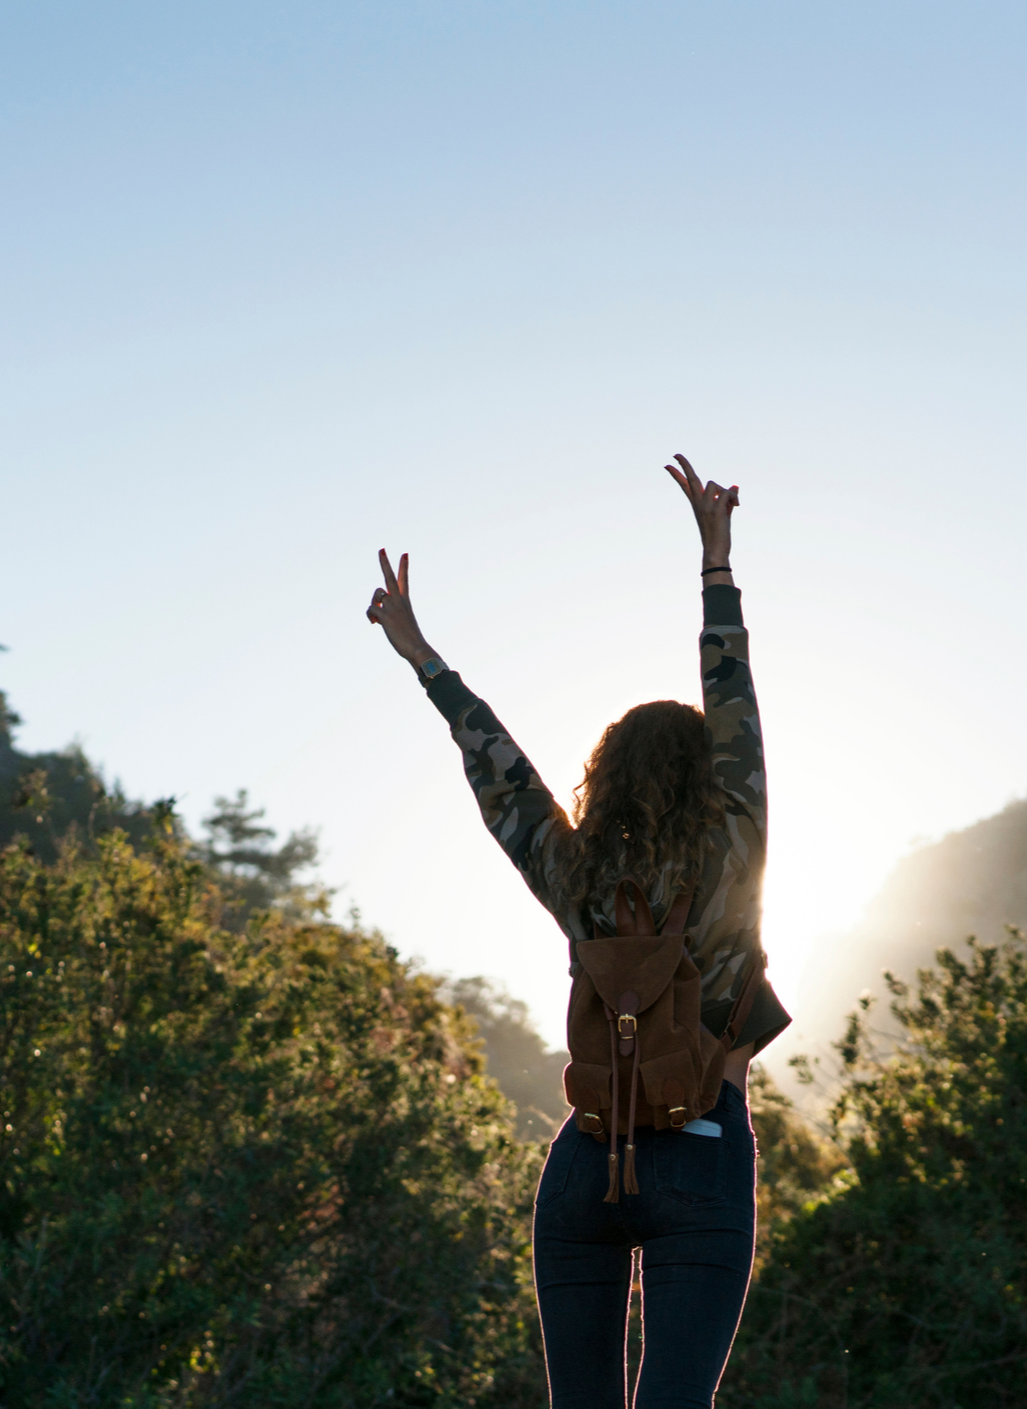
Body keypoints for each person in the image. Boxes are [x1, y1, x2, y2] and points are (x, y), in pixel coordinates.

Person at [365, 454, 790, 1408]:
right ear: (705, 773)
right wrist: (716, 564)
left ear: (611, 778)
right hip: (705, 1147)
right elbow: (738, 707)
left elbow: (501, 772)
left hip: (582, 1160)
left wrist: (424, 658)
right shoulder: (733, 845)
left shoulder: (577, 873)